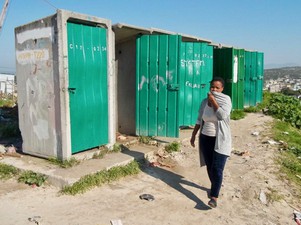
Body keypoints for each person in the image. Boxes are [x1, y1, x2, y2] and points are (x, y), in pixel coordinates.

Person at [190, 77, 232, 208]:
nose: (214, 90)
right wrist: (193, 134)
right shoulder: (204, 102)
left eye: (217, 88)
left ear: (222, 89)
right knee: (209, 166)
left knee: (217, 168)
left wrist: (213, 101)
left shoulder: (226, 100)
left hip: (220, 140)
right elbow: (199, 119)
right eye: (212, 87)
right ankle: (215, 187)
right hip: (205, 138)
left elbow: (222, 116)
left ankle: (214, 197)